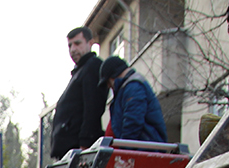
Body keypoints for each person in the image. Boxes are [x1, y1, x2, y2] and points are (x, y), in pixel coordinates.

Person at [51, 27, 108, 160]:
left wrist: (85, 144)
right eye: (70, 45)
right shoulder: (80, 71)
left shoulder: (93, 67)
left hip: (78, 149)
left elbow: (93, 107)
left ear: (90, 43)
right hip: (69, 149)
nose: (73, 49)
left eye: (77, 43)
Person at [99, 55, 168, 144]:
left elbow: (133, 123)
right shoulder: (130, 87)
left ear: (112, 77)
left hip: (144, 148)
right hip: (143, 146)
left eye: (108, 82)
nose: (109, 86)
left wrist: (124, 150)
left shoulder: (133, 87)